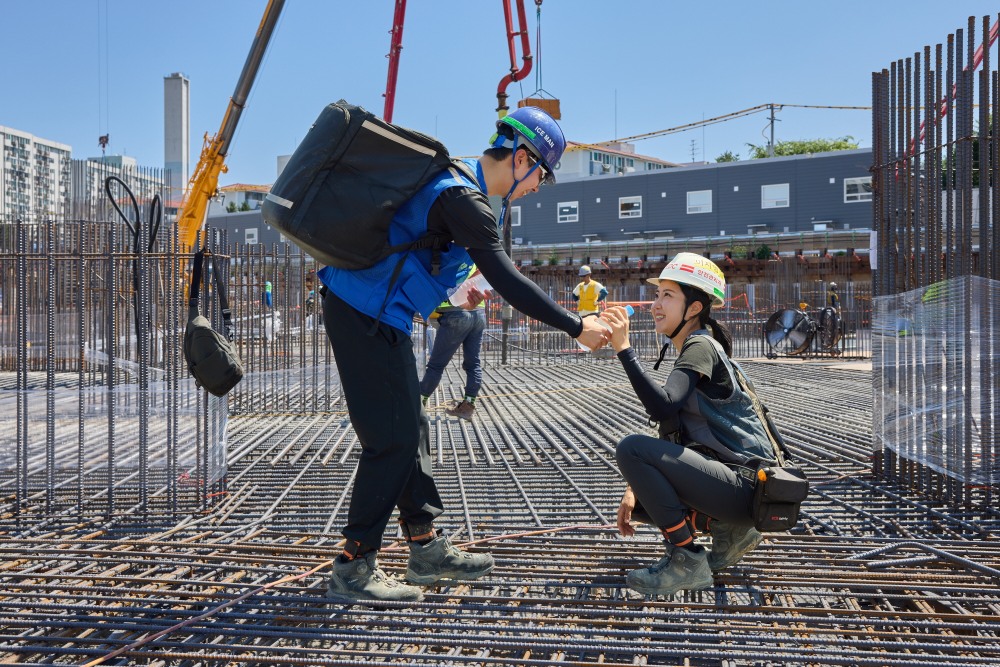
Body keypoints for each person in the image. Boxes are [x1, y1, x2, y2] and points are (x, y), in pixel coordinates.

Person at [317, 106, 609, 602]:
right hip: (360, 312)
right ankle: (352, 567)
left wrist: (449, 296)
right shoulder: (463, 200)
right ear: (520, 158)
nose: (539, 185)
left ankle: (425, 547)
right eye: (541, 173)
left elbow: (416, 259)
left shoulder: (458, 190)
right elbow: (507, 279)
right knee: (392, 440)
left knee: (413, 426)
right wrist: (576, 326)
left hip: (375, 313)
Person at [600, 252, 777, 596]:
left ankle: (687, 559)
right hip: (741, 487)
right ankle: (729, 530)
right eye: (656, 295)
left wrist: (623, 348)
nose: (656, 305)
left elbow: (660, 404)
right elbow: (670, 425)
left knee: (631, 448)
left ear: (694, 308)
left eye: (668, 296)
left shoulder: (700, 345)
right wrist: (635, 487)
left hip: (746, 485)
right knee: (642, 503)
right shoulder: (695, 348)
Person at [420, 267, 487, 421]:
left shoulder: (452, 260)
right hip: (479, 314)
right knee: (473, 363)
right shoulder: (475, 260)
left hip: (455, 313)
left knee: (436, 365)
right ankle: (468, 406)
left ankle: (419, 402)